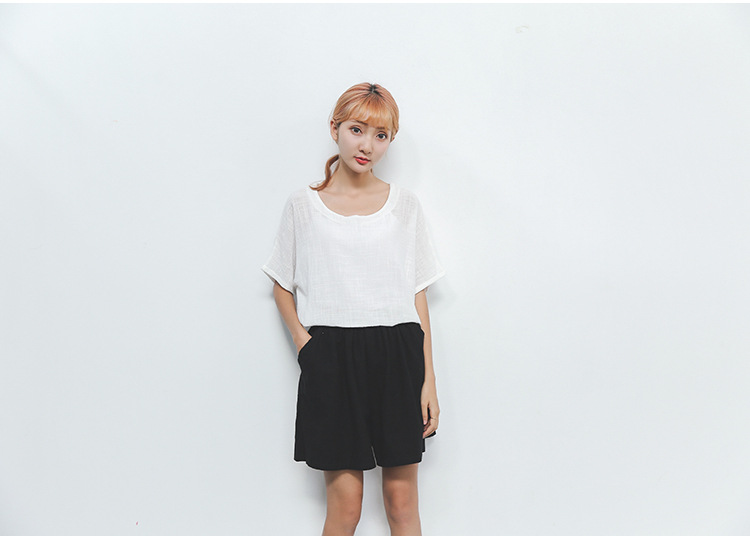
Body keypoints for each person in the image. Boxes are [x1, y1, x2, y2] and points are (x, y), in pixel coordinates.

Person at [261, 82, 445, 536]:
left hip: (398, 356)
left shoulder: (405, 206)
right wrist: (307, 346)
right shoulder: (303, 205)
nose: (367, 145)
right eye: (357, 130)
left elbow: (417, 295)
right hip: (333, 361)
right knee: (345, 508)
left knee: (402, 504)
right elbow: (281, 284)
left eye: (381, 136)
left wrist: (429, 380)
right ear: (335, 129)